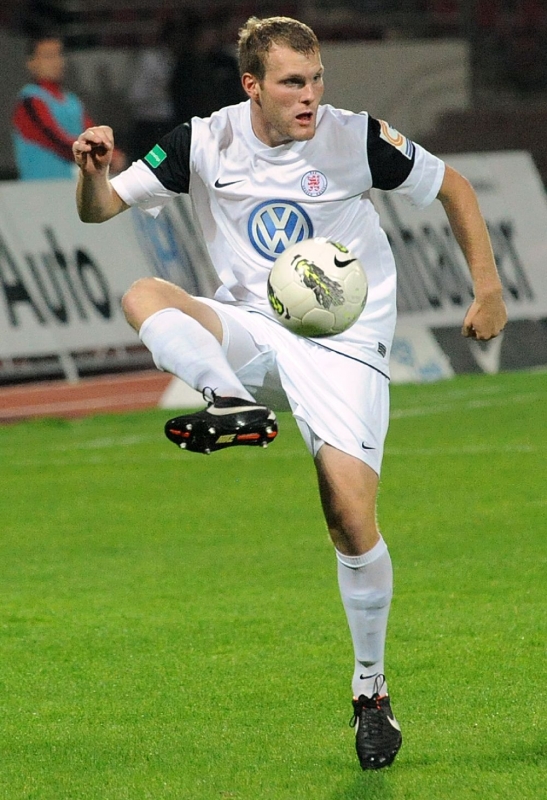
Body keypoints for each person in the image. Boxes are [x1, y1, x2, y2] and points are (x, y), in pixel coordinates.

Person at [72, 16, 507, 770]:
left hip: (344, 342)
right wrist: (92, 169)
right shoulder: (201, 142)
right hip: (253, 325)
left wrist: (488, 287)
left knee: (350, 520)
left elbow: (454, 187)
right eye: (292, 83)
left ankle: (370, 690)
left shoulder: (355, 138)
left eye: (316, 80)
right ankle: (228, 399)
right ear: (253, 86)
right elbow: (100, 208)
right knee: (143, 293)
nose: (310, 97)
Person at [12, 35, 125, 180]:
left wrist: (111, 152)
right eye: (48, 56)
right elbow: (55, 139)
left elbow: (91, 131)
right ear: (31, 62)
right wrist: (102, 154)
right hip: (41, 185)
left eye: (59, 55)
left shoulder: (72, 101)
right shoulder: (29, 101)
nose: (56, 62)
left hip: (73, 183)